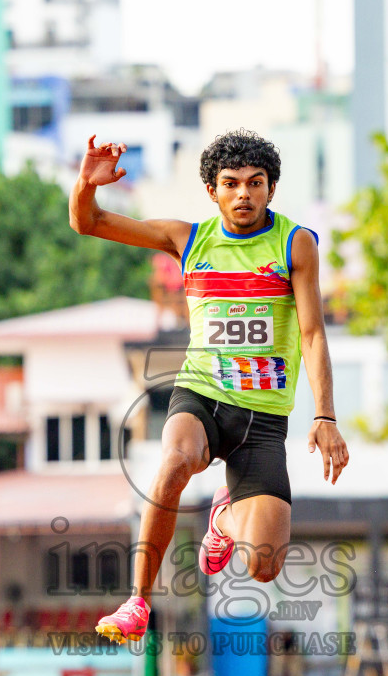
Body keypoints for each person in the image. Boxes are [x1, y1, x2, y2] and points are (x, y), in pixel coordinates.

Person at [69, 130, 350, 643]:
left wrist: (326, 416)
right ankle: (137, 603)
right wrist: (87, 184)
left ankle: (222, 519)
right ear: (212, 191)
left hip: (262, 419)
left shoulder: (295, 243)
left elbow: (311, 333)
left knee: (263, 566)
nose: (244, 193)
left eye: (255, 183)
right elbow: (89, 223)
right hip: (200, 395)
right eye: (231, 184)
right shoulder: (188, 238)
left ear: (270, 189)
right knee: (175, 460)